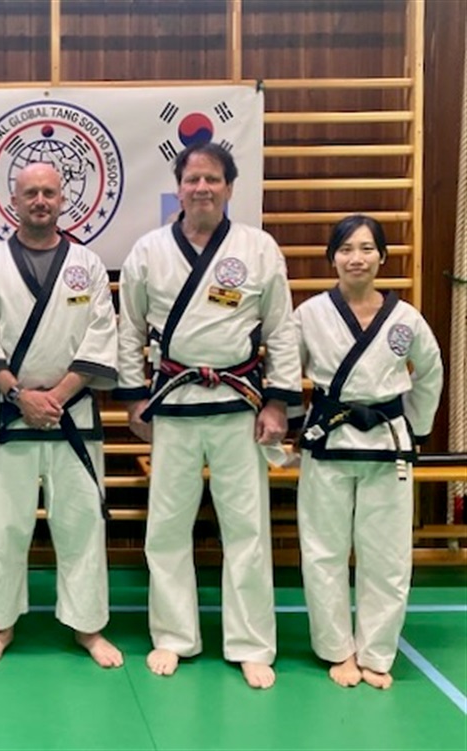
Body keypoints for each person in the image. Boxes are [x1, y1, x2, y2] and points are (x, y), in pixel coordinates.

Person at [116, 143, 302, 689]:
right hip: (174, 404)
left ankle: (251, 643)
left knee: (246, 528)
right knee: (167, 527)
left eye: (213, 179)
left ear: (229, 187)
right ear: (179, 188)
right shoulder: (149, 250)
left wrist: (278, 402)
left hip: (238, 404)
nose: (202, 188)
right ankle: (174, 636)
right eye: (193, 179)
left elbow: (281, 329)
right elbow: (129, 330)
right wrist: (134, 398)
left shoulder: (258, 248)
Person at [0, 162, 124, 669]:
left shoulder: (87, 264)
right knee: (4, 527)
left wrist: (57, 395)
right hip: (12, 416)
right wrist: (19, 395)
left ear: (62, 200)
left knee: (80, 525)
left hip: (72, 415)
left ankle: (87, 626)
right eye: (30, 192)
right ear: (13, 201)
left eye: (48, 192)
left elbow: (101, 334)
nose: (39, 200)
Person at [294, 215, 443, 690]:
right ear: (332, 258)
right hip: (329, 441)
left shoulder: (406, 319)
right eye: (345, 249)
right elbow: (286, 372)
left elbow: (431, 372)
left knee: (387, 555)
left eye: (365, 248)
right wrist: (296, 424)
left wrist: (415, 428)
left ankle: (377, 652)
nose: (355, 258)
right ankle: (337, 649)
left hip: (386, 443)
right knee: (324, 551)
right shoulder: (310, 314)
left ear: (382, 256)